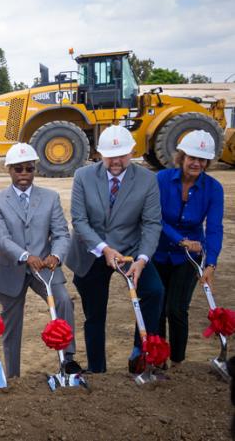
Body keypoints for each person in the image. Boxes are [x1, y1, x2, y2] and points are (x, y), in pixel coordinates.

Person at [67, 125, 164, 374]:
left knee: (154, 292)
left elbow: (152, 223)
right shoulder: (83, 176)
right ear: (100, 154)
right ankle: (98, 370)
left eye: (122, 155)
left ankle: (139, 354)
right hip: (93, 251)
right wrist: (104, 248)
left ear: (132, 152)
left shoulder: (147, 180)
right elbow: (79, 220)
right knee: (95, 314)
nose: (117, 161)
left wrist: (142, 260)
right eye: (111, 155)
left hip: (130, 250)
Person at [0, 144, 81, 378]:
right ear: (9, 170)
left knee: (63, 302)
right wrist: (25, 256)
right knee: (12, 325)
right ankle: (13, 376)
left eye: (29, 169)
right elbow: (1, 238)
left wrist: (56, 256)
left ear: (35, 169)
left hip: (45, 268)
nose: (24, 174)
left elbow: (61, 233)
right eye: (18, 169)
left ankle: (67, 360)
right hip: (12, 269)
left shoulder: (50, 197)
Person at [154, 130, 224, 366]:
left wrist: (211, 263)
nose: (196, 163)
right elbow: (155, 217)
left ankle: (178, 363)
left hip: (189, 257)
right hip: (158, 252)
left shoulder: (214, 189)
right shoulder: (161, 180)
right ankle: (156, 359)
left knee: (176, 309)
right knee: (157, 308)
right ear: (182, 157)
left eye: (202, 159)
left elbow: (214, 228)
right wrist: (180, 239)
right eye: (192, 157)